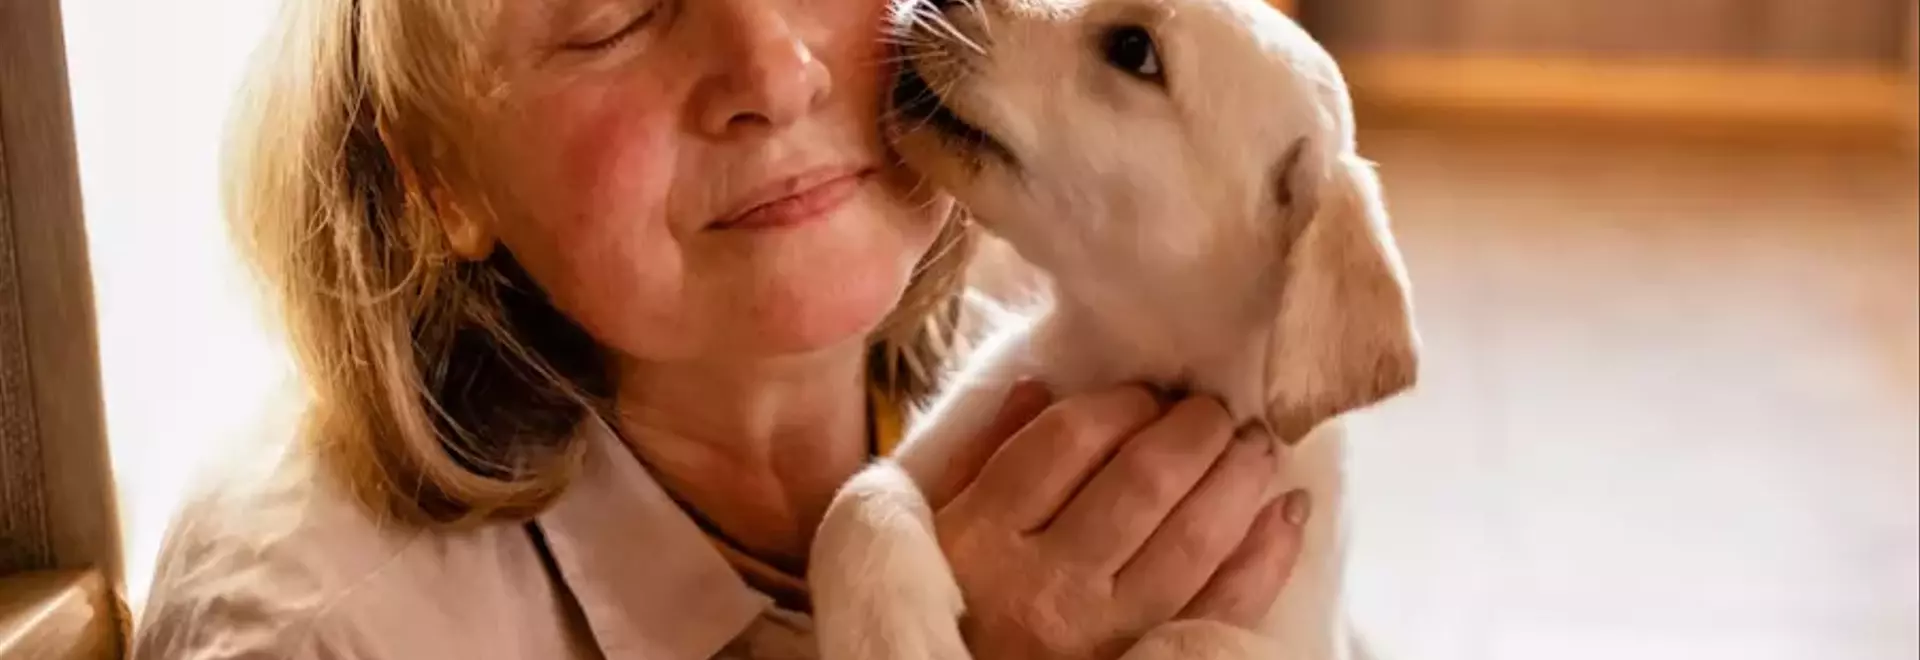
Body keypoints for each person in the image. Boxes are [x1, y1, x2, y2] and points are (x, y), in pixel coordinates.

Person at [131, 0, 1310, 658]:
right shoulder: (320, 631)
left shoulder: (1086, 335)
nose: (772, 70)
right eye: (614, 14)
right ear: (439, 179)